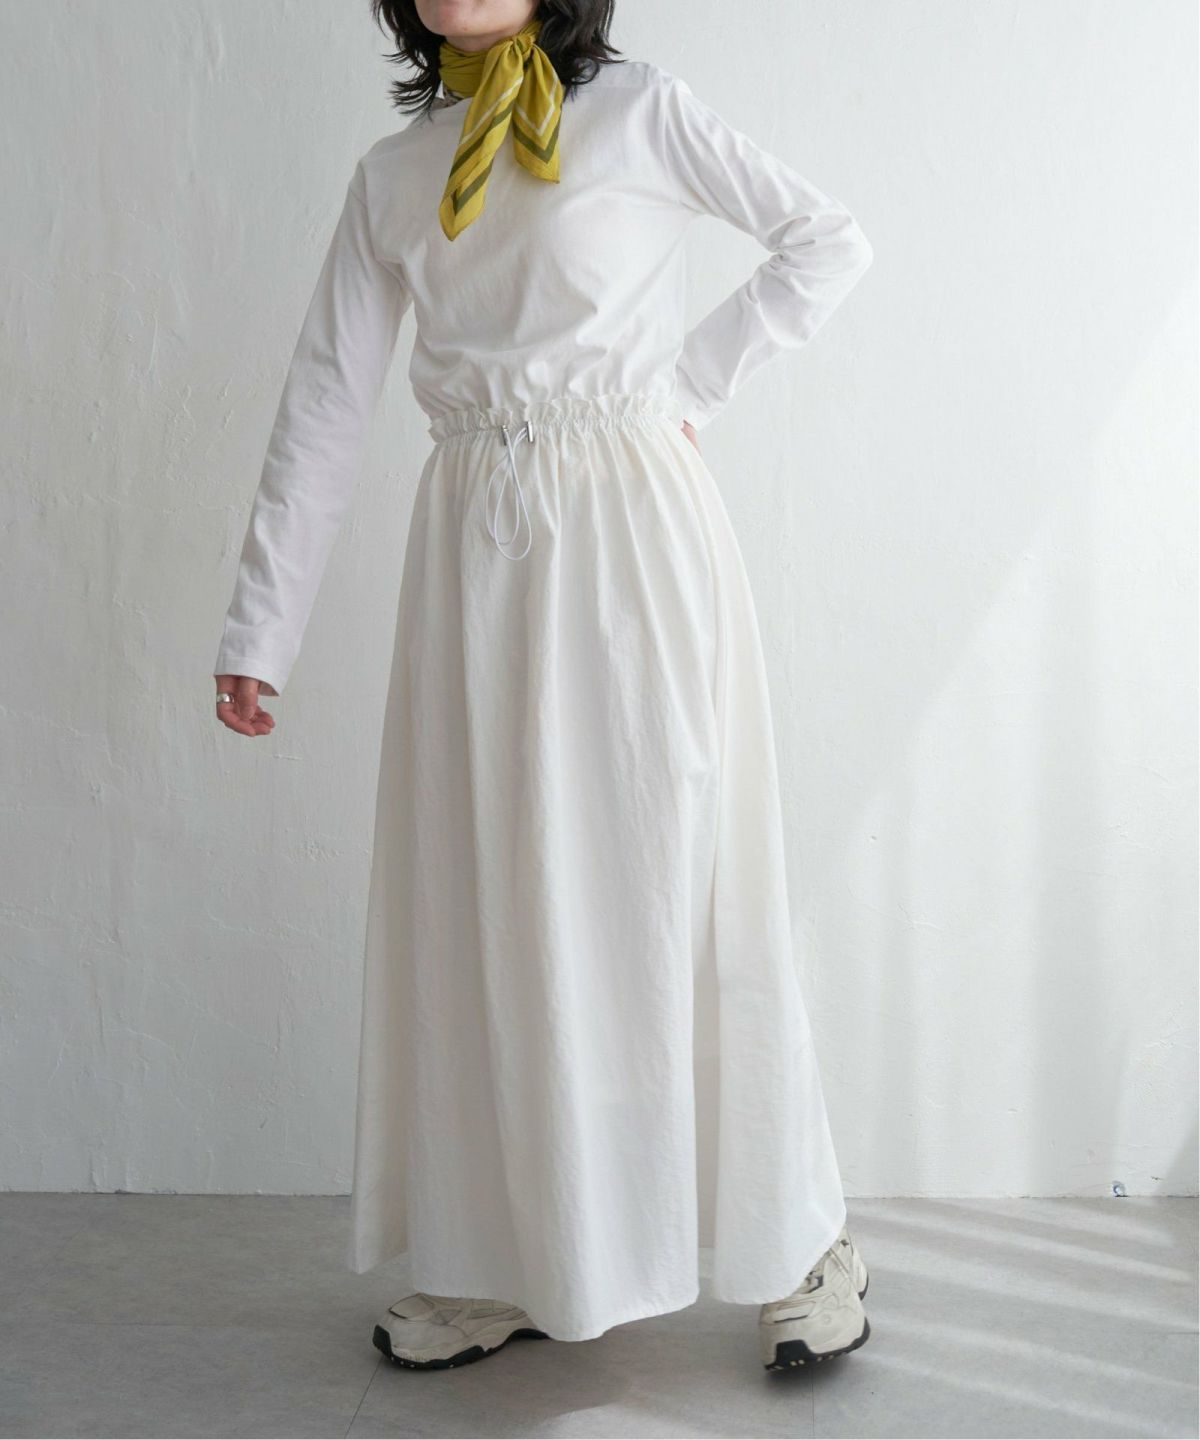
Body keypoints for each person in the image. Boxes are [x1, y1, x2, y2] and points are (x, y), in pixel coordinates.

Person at [213, 0, 875, 1373]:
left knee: (685, 879)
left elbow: (825, 238)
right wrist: (260, 628)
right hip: (475, 559)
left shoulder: (636, 113)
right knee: (495, 902)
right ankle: (516, 1251)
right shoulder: (397, 175)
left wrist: (685, 388)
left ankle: (804, 1241)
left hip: (631, 538)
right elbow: (329, 395)